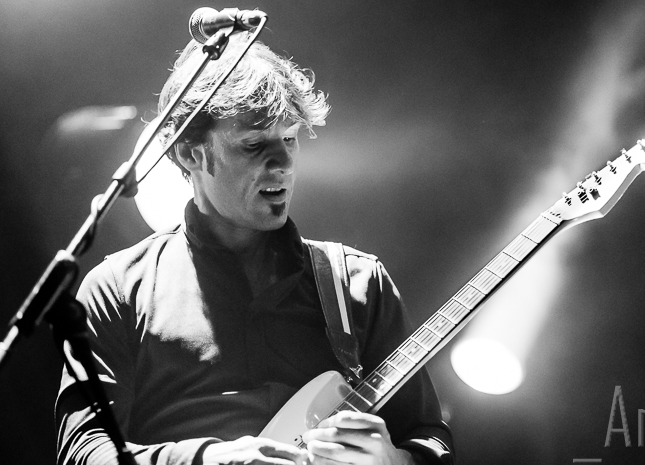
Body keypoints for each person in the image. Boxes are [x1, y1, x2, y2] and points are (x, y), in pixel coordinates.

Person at [55, 32, 454, 465]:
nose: (283, 164)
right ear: (190, 153)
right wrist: (209, 460)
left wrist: (396, 461)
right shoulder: (117, 289)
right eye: (254, 144)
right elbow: (83, 452)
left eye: (290, 139)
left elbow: (430, 438)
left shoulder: (357, 283)